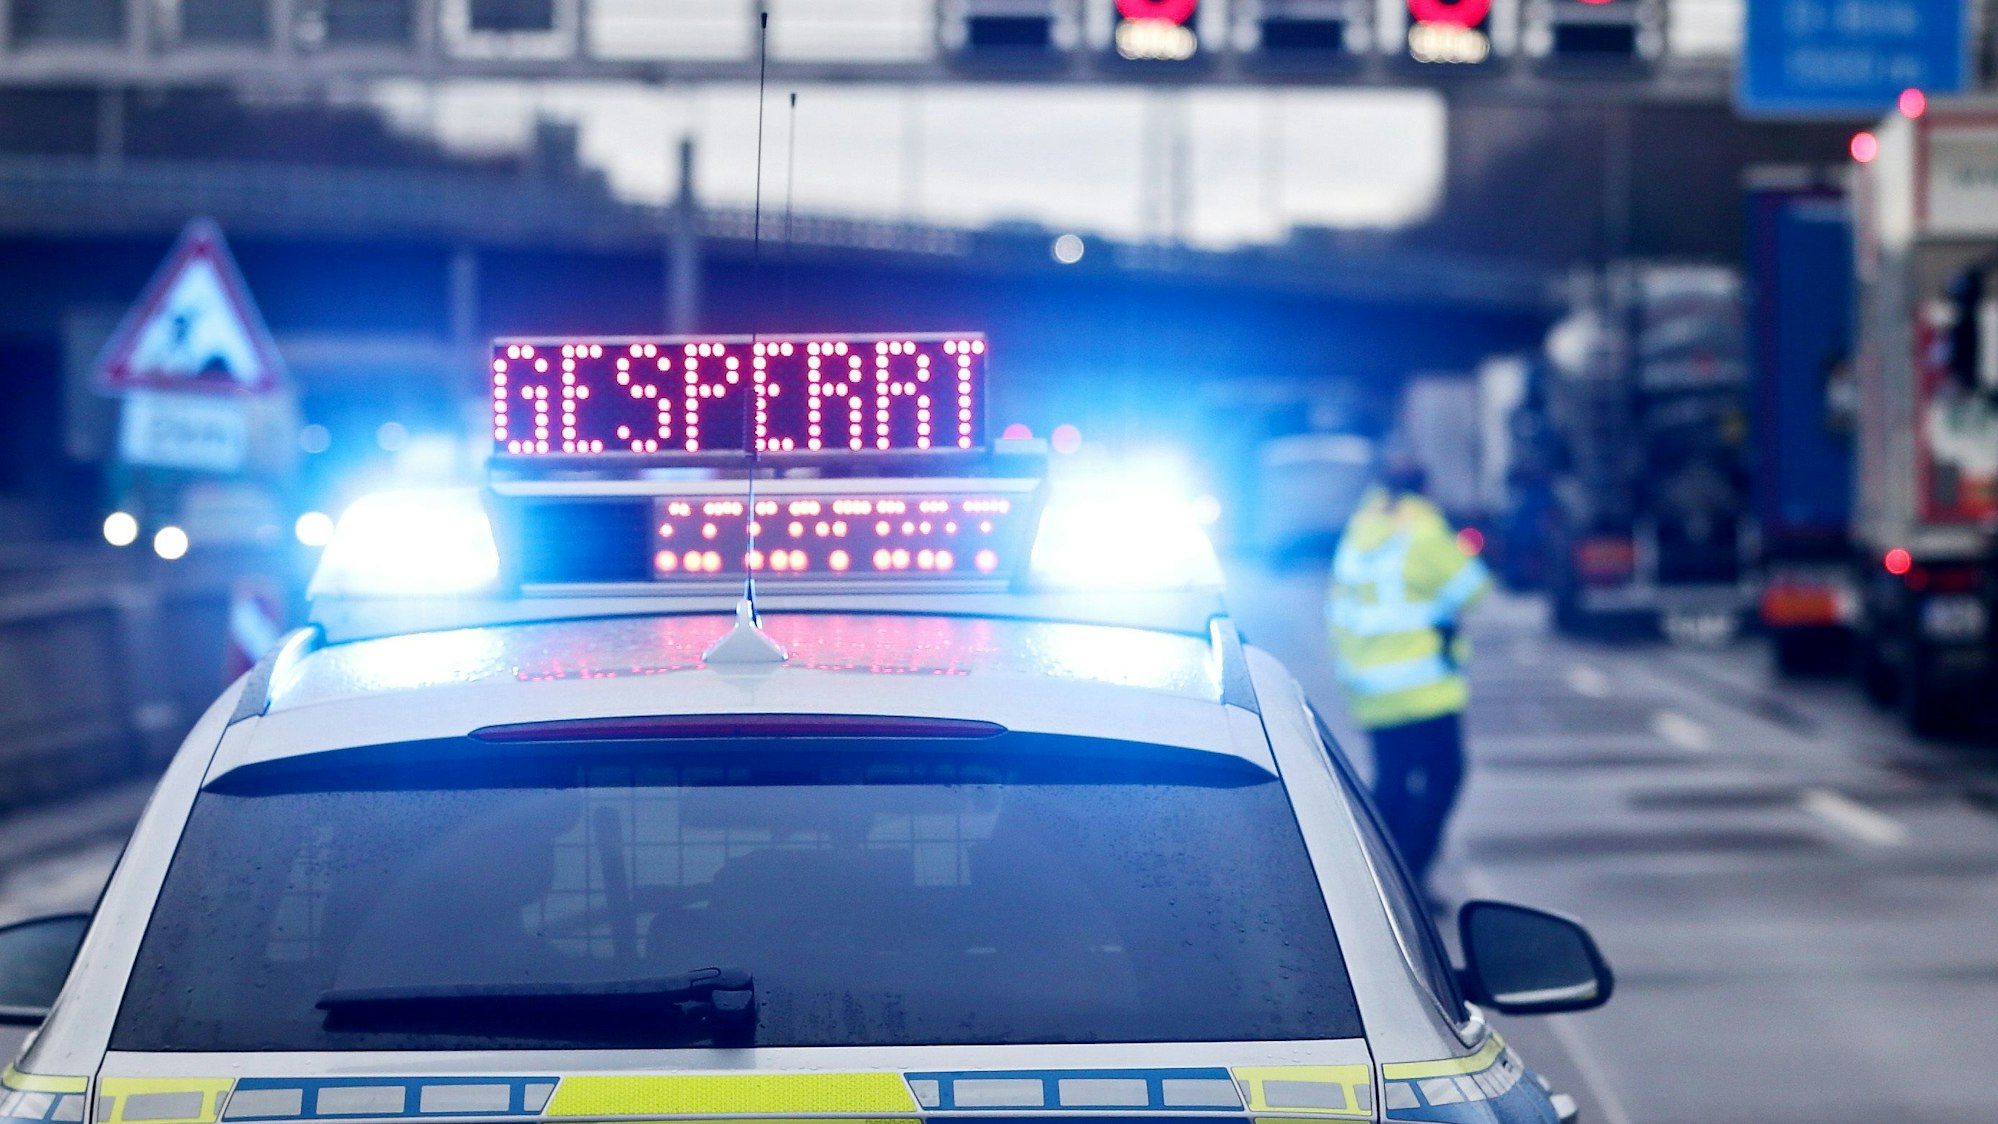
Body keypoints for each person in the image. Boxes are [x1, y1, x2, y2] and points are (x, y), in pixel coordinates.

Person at [1327, 445, 1491, 894]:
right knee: (1444, 778)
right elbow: (1473, 589)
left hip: (1369, 685)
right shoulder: (1423, 530)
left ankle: (1377, 878)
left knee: (1392, 785)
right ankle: (1409, 880)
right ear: (1426, 488)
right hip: (1423, 688)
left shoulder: (1361, 529)